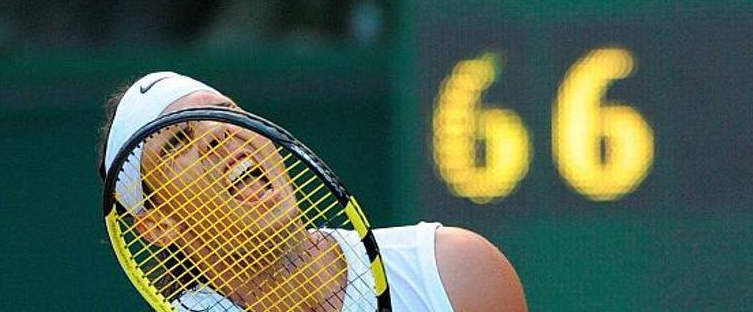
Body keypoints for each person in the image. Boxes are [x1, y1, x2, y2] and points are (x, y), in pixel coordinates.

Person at [98, 71, 527, 312]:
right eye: (178, 141)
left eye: (225, 113)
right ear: (158, 224)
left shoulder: (455, 274)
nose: (219, 133)